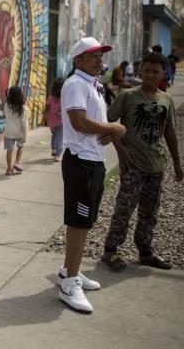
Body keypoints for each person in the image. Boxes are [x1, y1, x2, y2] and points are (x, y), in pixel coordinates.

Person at [58, 37, 126, 313]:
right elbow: (79, 122)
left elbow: (91, 125)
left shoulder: (93, 85)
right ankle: (69, 284)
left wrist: (108, 133)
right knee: (79, 223)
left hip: (93, 162)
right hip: (80, 163)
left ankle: (68, 271)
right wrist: (113, 127)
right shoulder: (75, 84)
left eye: (101, 55)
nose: (99, 59)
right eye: (93, 55)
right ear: (78, 60)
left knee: (85, 220)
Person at [101, 52, 182, 271]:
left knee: (150, 211)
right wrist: (120, 149)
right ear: (140, 71)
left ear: (163, 73)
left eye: (156, 71)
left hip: (156, 165)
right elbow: (107, 123)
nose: (150, 75)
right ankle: (110, 250)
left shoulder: (166, 99)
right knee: (124, 208)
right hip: (133, 165)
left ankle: (145, 252)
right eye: (146, 70)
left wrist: (176, 162)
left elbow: (170, 131)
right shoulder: (128, 96)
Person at [3, 86, 27, 176]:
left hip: (8, 131)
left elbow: (5, 114)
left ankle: (9, 169)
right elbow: (24, 123)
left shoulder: (7, 105)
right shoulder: (23, 108)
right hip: (19, 132)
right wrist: (25, 134)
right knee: (21, 146)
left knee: (9, 150)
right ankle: (17, 162)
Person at [43, 78, 64, 162]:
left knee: (54, 135)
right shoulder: (63, 99)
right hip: (60, 121)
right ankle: (57, 154)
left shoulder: (50, 98)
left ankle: (54, 148)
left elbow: (46, 110)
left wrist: (44, 119)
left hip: (51, 121)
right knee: (60, 137)